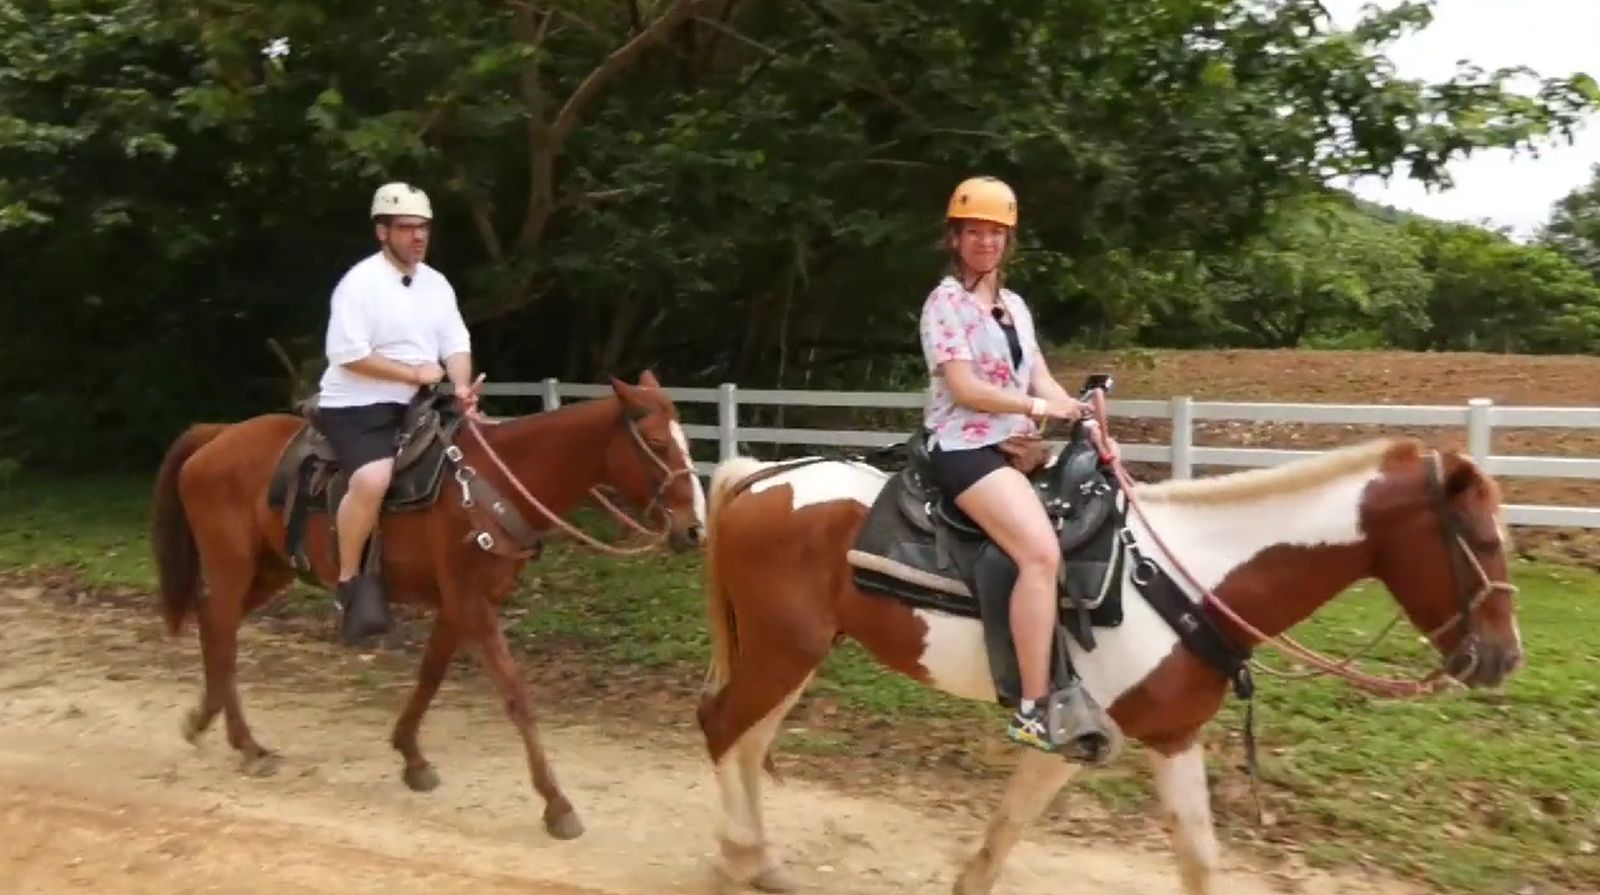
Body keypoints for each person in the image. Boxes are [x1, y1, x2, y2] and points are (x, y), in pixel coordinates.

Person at [917, 175, 1102, 753]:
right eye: (974, 231)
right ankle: (1032, 708)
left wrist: (1076, 410)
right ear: (955, 238)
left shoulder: (1014, 307)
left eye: (996, 232)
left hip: (1017, 446)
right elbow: (965, 388)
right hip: (964, 447)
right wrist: (1036, 408)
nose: (986, 242)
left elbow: (1038, 375)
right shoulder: (945, 304)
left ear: (1008, 240)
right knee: (1040, 553)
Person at [313, 181, 484, 644]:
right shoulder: (359, 284)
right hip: (357, 404)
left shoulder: (436, 284)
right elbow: (348, 354)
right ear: (382, 232)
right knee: (372, 479)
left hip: (419, 401)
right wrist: (413, 374)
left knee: (480, 454)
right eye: (407, 227)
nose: (419, 236)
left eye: (423, 227)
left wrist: (461, 386)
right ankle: (349, 581)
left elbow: (455, 342)